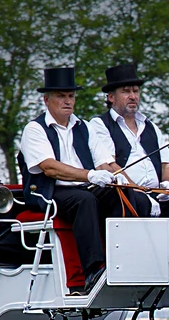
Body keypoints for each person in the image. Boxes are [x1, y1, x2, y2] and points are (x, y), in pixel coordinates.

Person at [17, 64, 117, 285]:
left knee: (120, 197)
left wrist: (117, 178)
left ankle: (123, 260)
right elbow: (49, 167)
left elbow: (104, 163)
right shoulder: (34, 129)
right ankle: (93, 269)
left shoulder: (85, 127)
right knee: (85, 200)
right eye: (61, 96)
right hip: (50, 193)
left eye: (71, 96)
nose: (68, 101)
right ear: (46, 100)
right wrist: (90, 176)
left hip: (83, 187)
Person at [84, 61, 169, 223]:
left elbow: (167, 164)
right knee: (140, 202)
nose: (133, 96)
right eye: (126, 91)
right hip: (125, 193)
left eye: (136, 91)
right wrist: (139, 192)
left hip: (156, 193)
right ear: (111, 97)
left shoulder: (151, 126)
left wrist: (168, 185)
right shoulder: (100, 125)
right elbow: (110, 166)